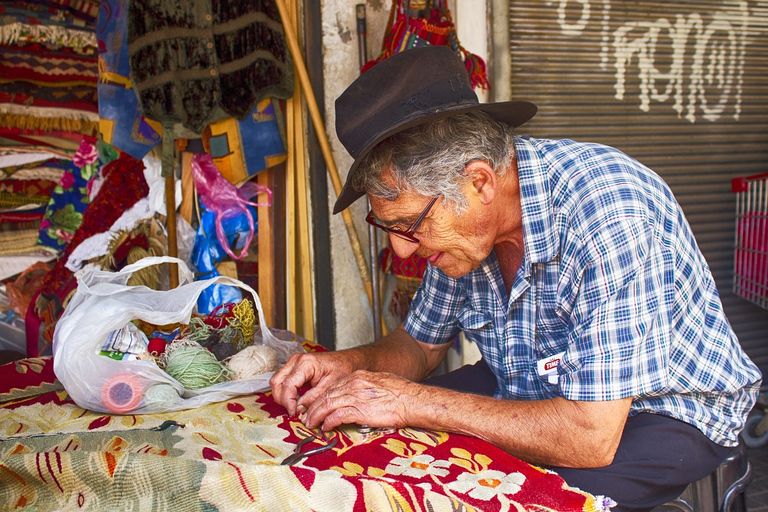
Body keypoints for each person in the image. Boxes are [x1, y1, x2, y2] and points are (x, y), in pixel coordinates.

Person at [269, 45, 762, 510]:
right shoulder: (461, 235)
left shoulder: (611, 212)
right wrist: (348, 366)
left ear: (480, 181)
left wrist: (410, 400)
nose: (401, 248)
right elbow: (418, 348)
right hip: (533, 383)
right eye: (391, 229)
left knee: (495, 495)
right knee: (382, 450)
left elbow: (589, 437)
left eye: (410, 226)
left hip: (659, 411)